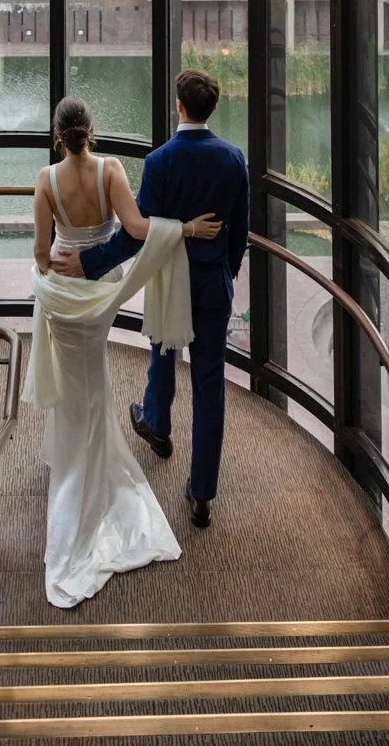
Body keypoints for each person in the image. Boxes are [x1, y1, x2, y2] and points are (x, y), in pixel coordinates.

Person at [25, 95, 222, 607]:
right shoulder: (110, 170)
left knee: (75, 378)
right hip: (101, 293)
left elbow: (43, 256)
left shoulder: (45, 181)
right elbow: (137, 231)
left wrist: (57, 273)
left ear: (57, 134)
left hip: (64, 295)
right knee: (95, 375)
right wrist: (188, 230)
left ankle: (69, 457)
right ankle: (89, 459)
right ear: (92, 130)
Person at [51, 69, 249, 530]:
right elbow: (239, 231)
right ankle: (202, 494)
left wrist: (89, 262)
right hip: (213, 283)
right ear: (211, 109)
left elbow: (136, 235)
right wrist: (225, 271)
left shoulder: (160, 162)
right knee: (209, 382)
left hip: (170, 279)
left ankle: (158, 424)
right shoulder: (232, 159)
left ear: (178, 106)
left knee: (163, 343)